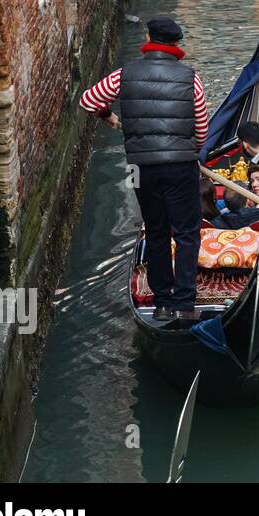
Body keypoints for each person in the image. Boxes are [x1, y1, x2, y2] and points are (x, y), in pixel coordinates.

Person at [80, 17, 208, 322]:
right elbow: (202, 129)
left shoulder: (124, 74)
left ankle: (163, 303)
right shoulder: (191, 78)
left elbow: (88, 101)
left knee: (156, 231)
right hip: (181, 166)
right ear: (176, 44)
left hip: (144, 168)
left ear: (149, 38)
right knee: (188, 234)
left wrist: (107, 115)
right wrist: (192, 149)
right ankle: (185, 305)